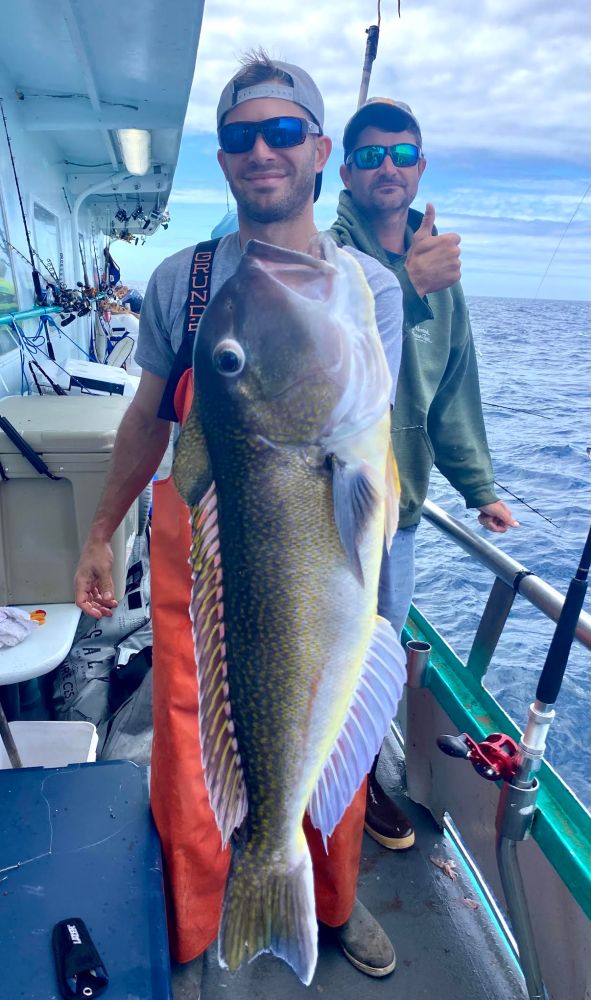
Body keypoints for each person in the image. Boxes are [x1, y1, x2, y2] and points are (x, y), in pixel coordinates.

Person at [74, 56, 405, 980]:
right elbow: (148, 419)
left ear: (318, 151)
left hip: (315, 539)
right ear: (222, 159)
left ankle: (328, 904)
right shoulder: (181, 281)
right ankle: (192, 922)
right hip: (205, 555)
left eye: (281, 131)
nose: (260, 150)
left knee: (331, 729)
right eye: (239, 136)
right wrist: (102, 530)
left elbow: (377, 450)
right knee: (191, 744)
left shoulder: (367, 288)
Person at [330, 97, 519, 852]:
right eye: (370, 154)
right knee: (317, 650)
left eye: (401, 153)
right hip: (324, 507)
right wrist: (405, 282)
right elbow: (328, 352)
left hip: (398, 511)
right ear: (343, 170)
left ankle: (362, 781)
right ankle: (293, 782)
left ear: (419, 167)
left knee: (378, 654)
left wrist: (479, 488)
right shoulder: (322, 254)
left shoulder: (440, 269)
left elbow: (452, 388)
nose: (386, 166)